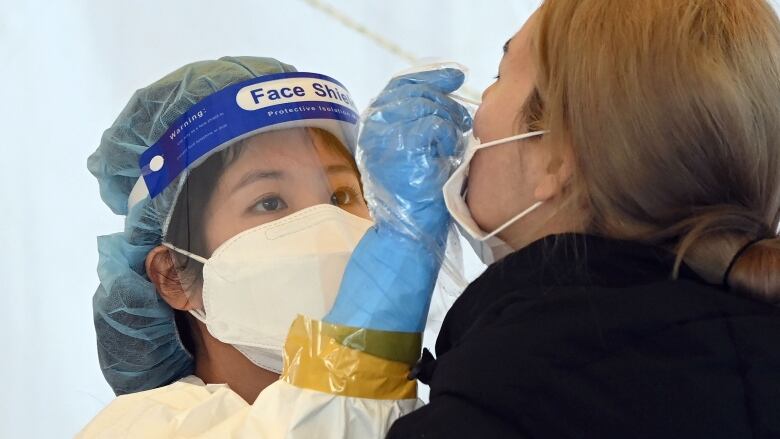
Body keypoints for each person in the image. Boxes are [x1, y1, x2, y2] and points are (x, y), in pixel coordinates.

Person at [356, 1, 780, 437]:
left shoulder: (510, 398)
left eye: (499, 77)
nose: (476, 109)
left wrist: (395, 256)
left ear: (557, 156)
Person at [79, 56, 449, 438]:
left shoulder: (424, 416)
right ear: (174, 277)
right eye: (269, 202)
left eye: (340, 196)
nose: (327, 230)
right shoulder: (140, 427)